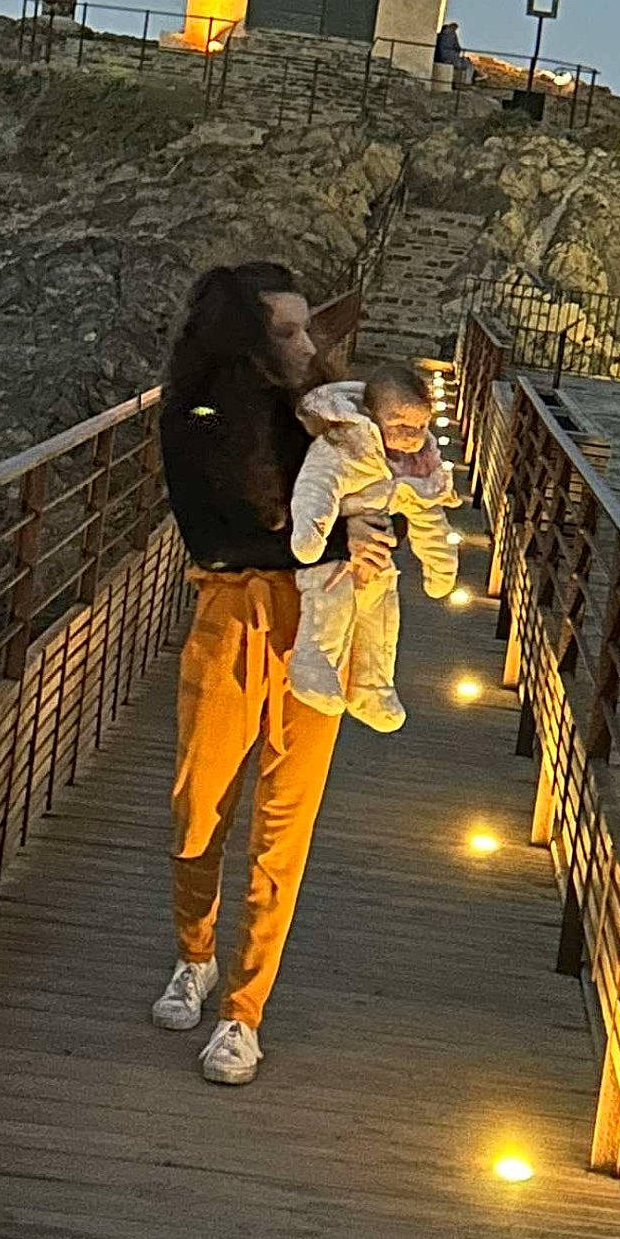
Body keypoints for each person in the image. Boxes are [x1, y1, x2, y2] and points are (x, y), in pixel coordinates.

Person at [153, 262, 395, 1086]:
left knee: (283, 828)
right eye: (285, 332)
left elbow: (373, 485)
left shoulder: (328, 413)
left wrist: (370, 523)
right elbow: (214, 533)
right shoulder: (193, 414)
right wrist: (332, 537)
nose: (307, 344)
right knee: (198, 809)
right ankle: (195, 955)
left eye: (305, 328)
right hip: (230, 617)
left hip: (321, 621)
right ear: (242, 341)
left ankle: (242, 1014)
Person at [286, 364, 459, 732]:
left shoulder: (415, 461)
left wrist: (440, 564)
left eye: (420, 427)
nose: (412, 437)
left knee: (382, 618)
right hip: (333, 555)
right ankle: (313, 664)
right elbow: (317, 485)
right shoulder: (345, 446)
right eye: (399, 426)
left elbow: (428, 514)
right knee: (330, 606)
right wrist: (312, 532)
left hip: (377, 556)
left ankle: (372, 687)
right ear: (370, 417)